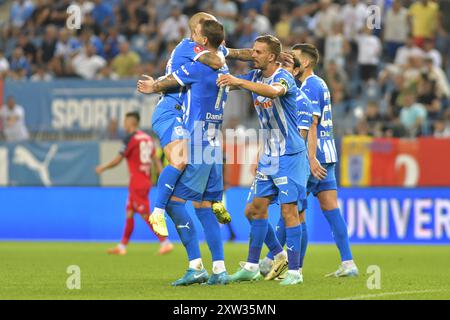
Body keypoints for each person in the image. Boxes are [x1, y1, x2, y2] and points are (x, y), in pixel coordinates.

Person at [137, 19, 230, 286]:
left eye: (197, 33)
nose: (192, 36)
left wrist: (153, 86)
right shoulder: (208, 59)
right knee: (198, 199)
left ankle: (206, 267)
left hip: (199, 136)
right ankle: (217, 268)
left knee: (189, 205)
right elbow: (221, 60)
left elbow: (221, 58)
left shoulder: (205, 59)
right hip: (192, 127)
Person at [217, 35, 308, 285]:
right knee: (253, 210)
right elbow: (231, 80)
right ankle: (255, 264)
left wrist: (237, 80)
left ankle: (295, 272)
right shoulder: (255, 76)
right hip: (269, 154)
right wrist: (223, 54)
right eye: (253, 51)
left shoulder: (283, 77)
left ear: (271, 56)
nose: (253, 55)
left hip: (290, 153)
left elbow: (273, 92)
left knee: (290, 212)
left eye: (258, 52)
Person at [291, 43, 358, 277]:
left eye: (294, 57)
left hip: (314, 156)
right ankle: (348, 263)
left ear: (306, 62)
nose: (290, 61)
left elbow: (312, 123)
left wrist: (309, 159)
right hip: (328, 154)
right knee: (331, 209)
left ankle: (290, 267)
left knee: (292, 210)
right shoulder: (321, 83)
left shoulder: (309, 86)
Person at [95, 112, 172, 256]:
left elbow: (118, 160)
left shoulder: (130, 139)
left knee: (145, 214)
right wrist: (162, 175)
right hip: (145, 180)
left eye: (125, 122)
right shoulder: (148, 139)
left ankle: (165, 242)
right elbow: (155, 159)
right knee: (129, 212)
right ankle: (122, 246)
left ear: (131, 122)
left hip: (137, 182)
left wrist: (103, 167)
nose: (123, 125)